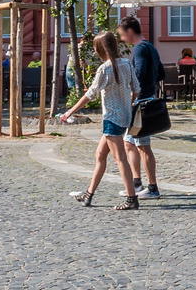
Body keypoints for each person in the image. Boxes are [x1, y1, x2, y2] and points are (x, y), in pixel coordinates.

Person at [60, 31, 140, 210]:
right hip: (124, 117)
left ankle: (131, 199)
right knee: (100, 155)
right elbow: (136, 88)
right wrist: (128, 102)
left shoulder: (105, 69)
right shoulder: (126, 63)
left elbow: (90, 94)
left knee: (120, 159)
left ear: (99, 50)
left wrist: (70, 111)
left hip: (112, 118)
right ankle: (88, 194)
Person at [119, 17, 163, 200]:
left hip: (140, 103)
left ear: (130, 31)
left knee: (143, 146)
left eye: (122, 35)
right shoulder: (150, 47)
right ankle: (136, 184)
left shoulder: (138, 49)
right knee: (129, 143)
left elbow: (138, 73)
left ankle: (153, 188)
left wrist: (132, 94)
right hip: (147, 98)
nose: (122, 39)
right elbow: (161, 73)